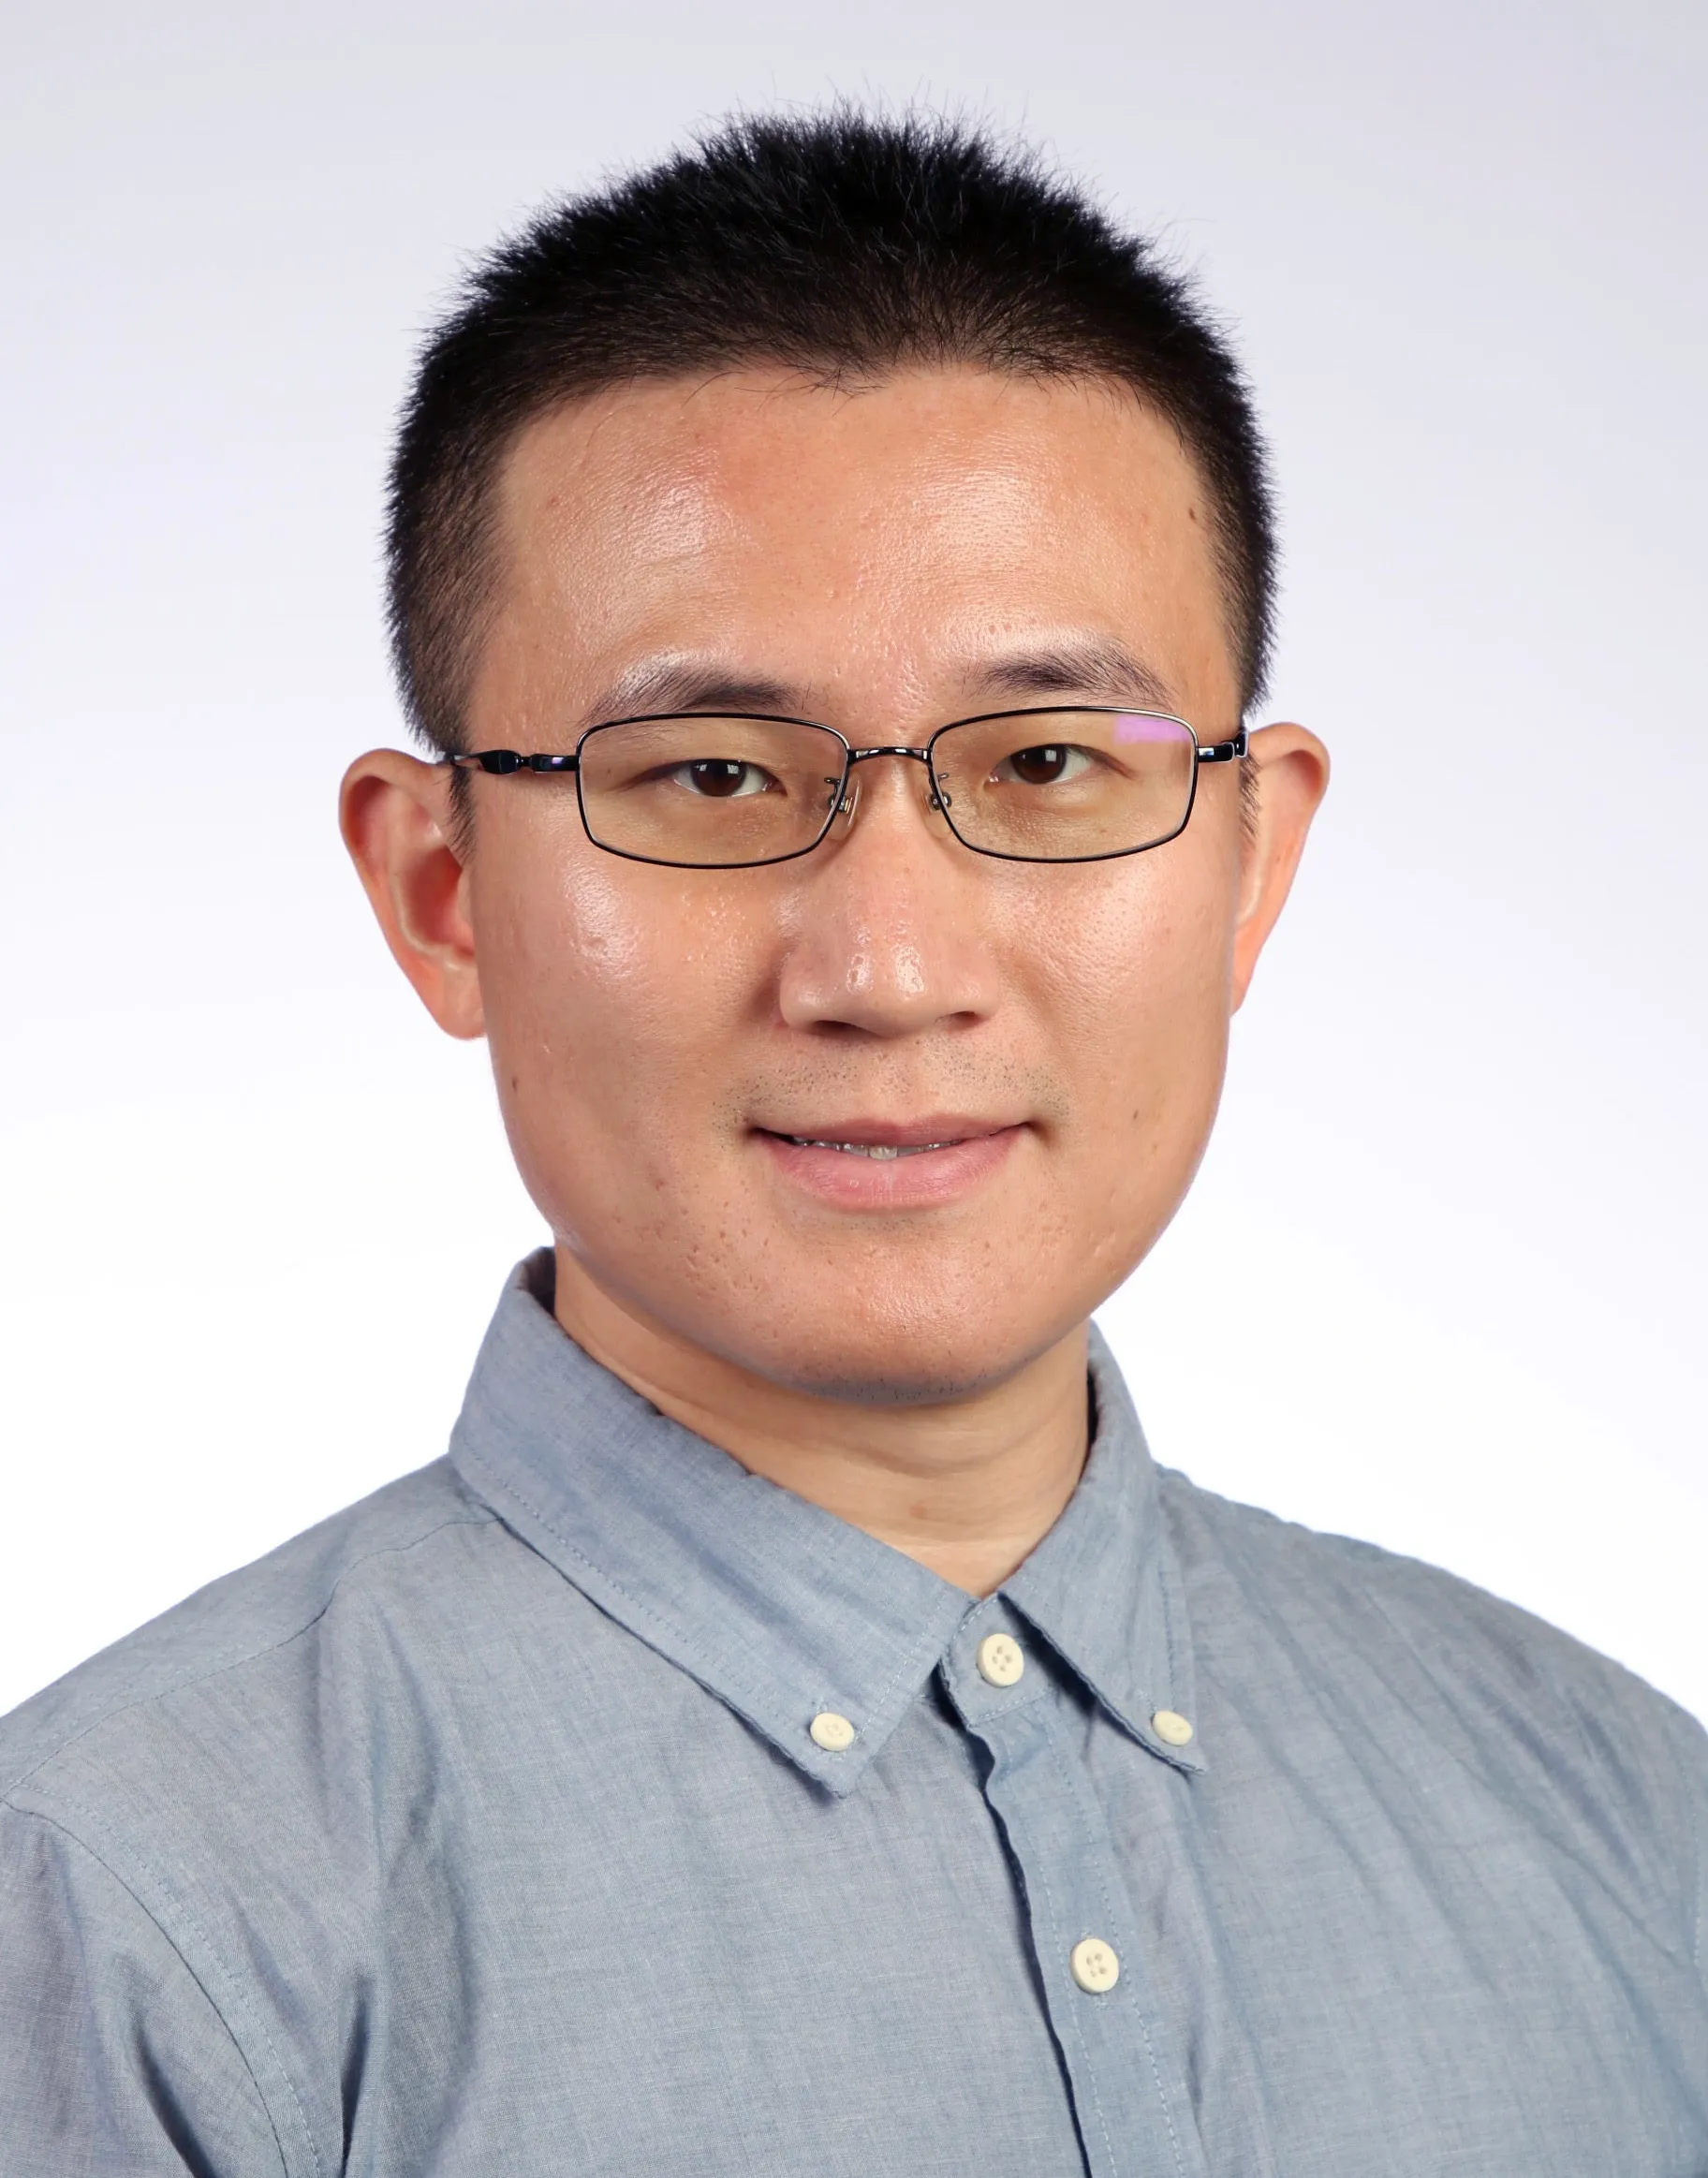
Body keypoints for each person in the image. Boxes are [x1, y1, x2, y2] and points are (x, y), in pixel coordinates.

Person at [1, 109, 1702, 2178]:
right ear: (443, 891)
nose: (890, 965)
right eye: (713, 771)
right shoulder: (133, 1911)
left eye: (1054, 759)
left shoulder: (1623, 1809)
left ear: (1253, 861)